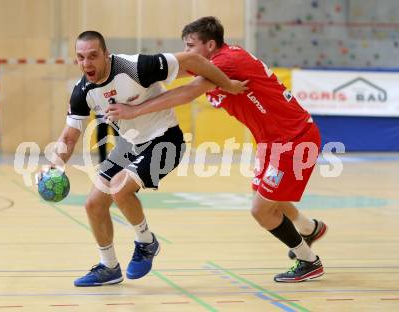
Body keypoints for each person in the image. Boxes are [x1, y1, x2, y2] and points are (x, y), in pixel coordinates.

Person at [106, 17, 328, 283]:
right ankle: (308, 228)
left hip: (294, 140)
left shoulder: (226, 63)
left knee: (261, 210)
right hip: (272, 140)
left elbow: (187, 94)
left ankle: (308, 260)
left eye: (191, 46)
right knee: (265, 193)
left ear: (210, 45)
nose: (187, 53)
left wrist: (135, 111)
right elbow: (174, 72)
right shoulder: (213, 61)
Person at [40, 30, 247, 287]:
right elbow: (70, 137)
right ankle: (109, 267)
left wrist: (226, 83)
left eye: (93, 56)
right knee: (93, 204)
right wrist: (55, 165)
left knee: (119, 188)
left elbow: (193, 60)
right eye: (81, 57)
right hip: (130, 143)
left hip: (165, 139)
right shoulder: (82, 91)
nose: (87, 63)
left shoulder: (135, 67)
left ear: (106, 54)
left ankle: (146, 242)